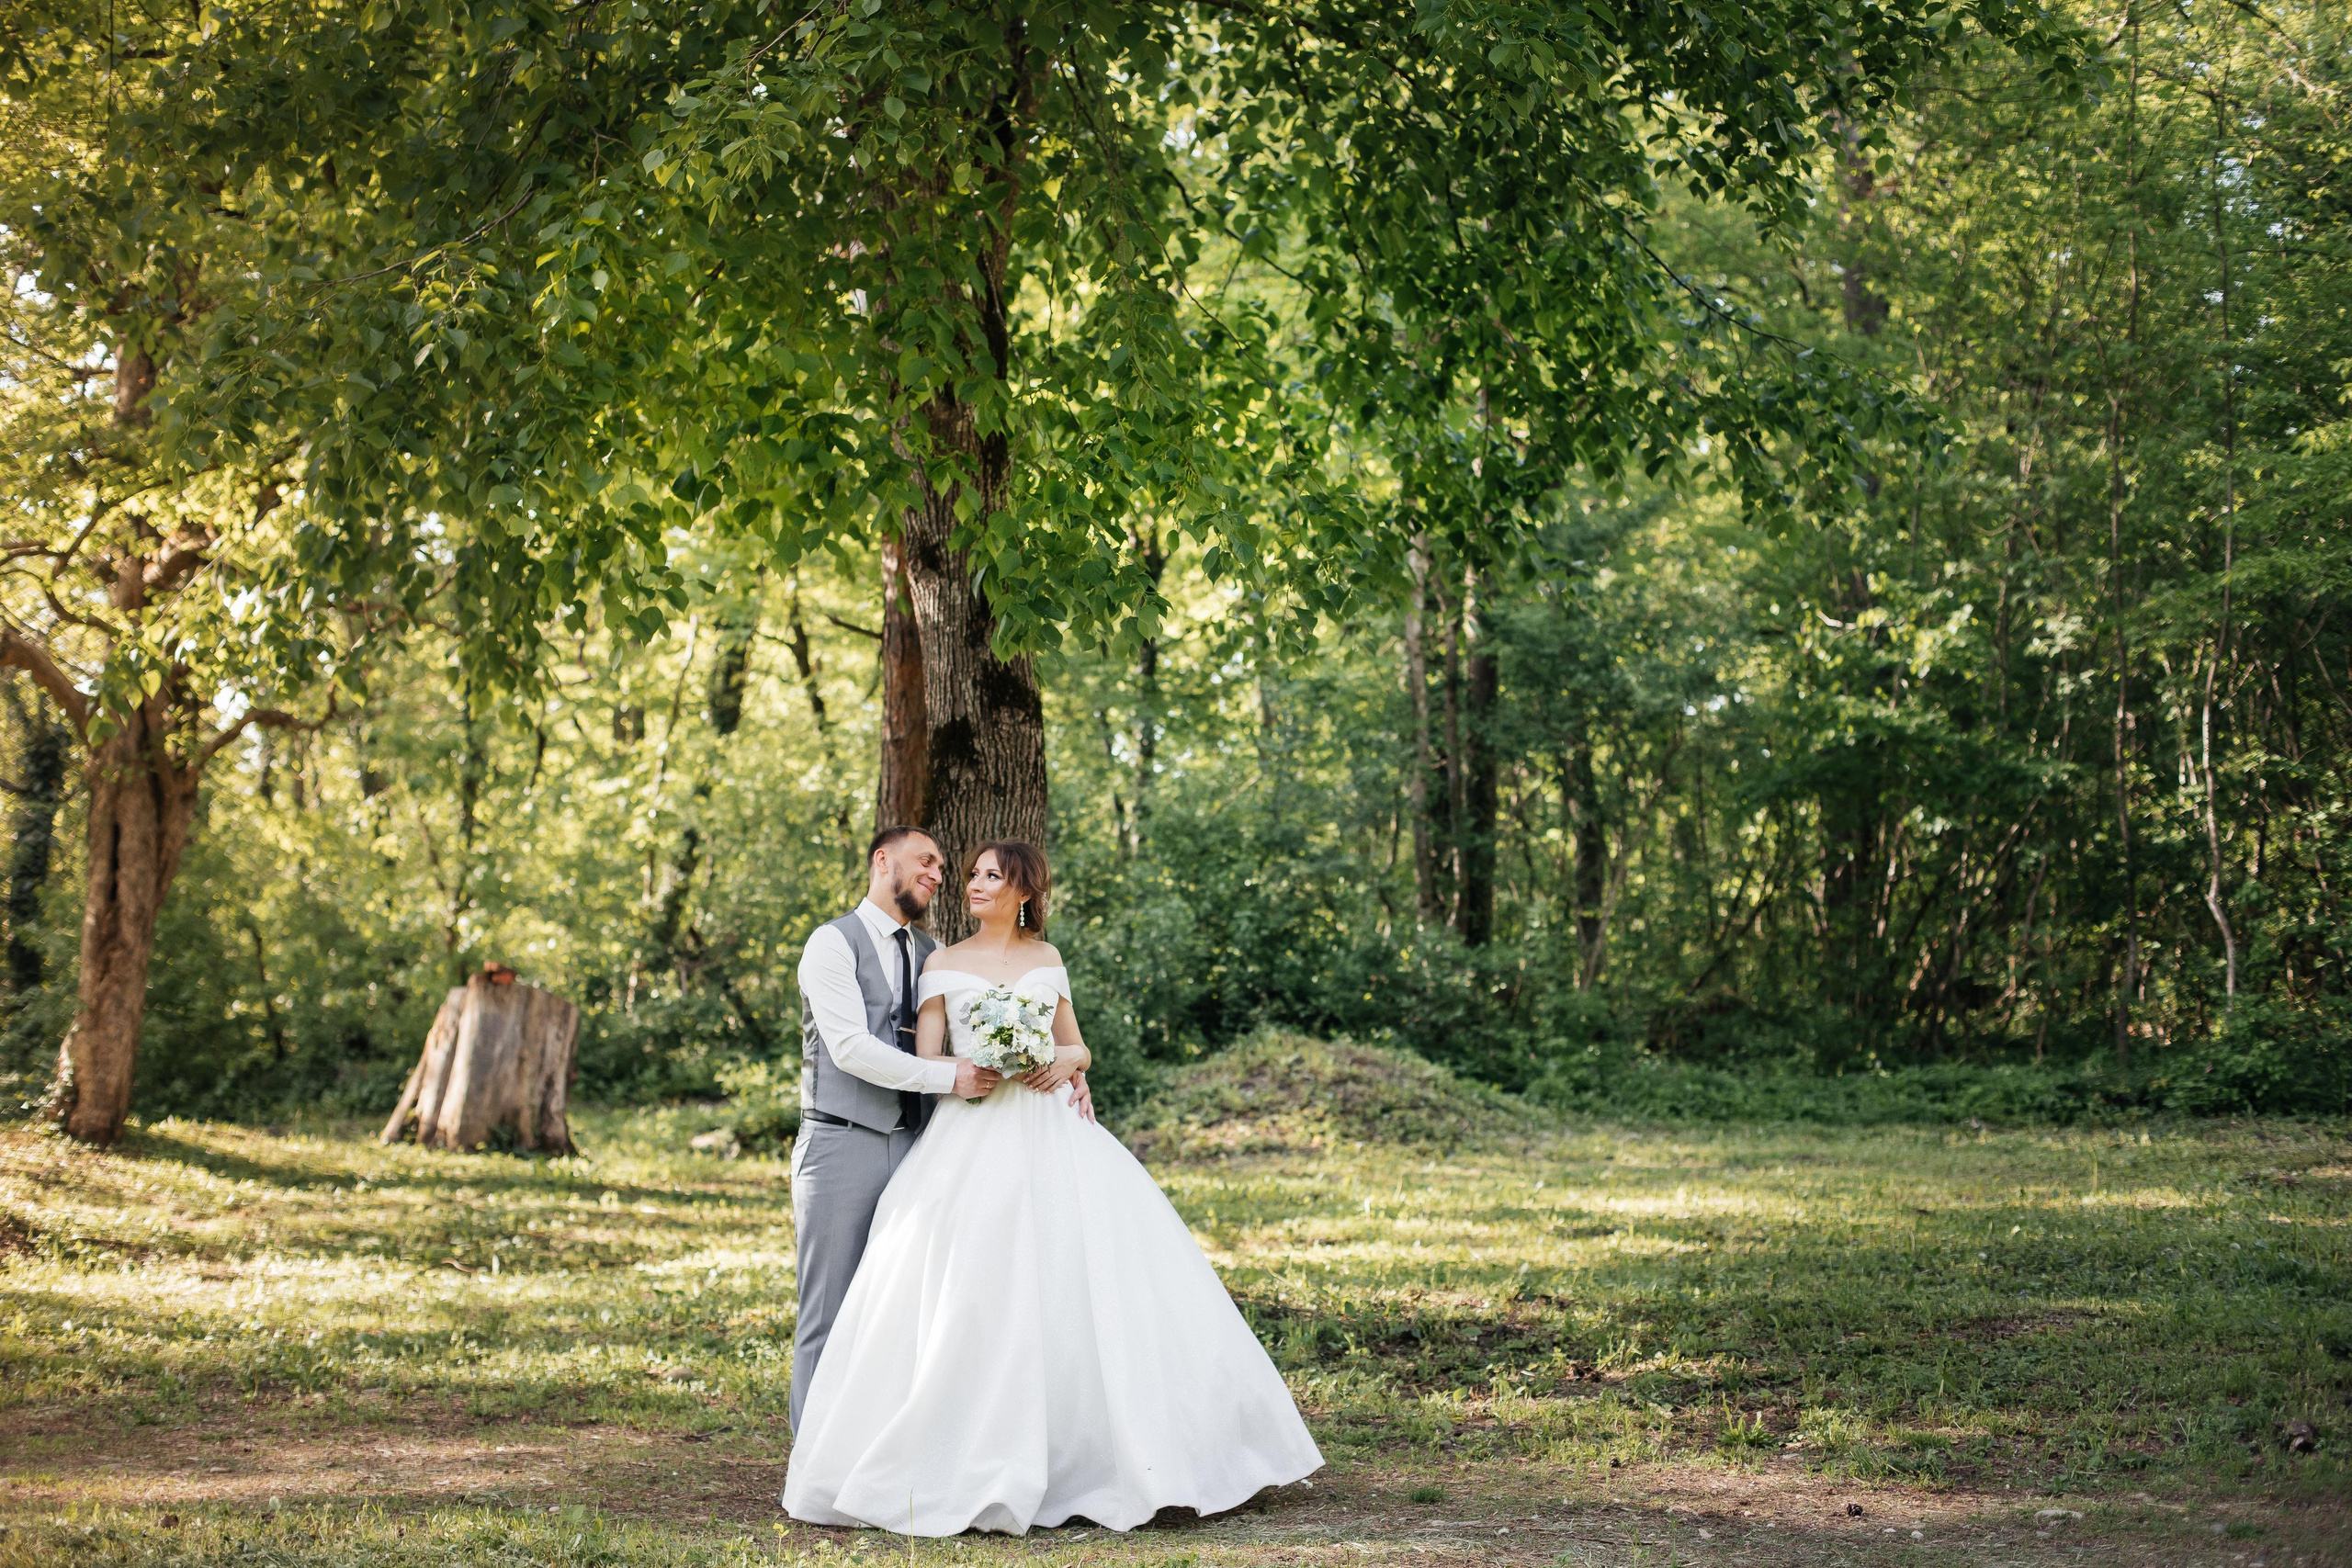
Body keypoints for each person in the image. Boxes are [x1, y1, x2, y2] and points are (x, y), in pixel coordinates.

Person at [783, 840, 1322, 1536]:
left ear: (1024, 892)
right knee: (955, 1289)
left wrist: (1068, 1062)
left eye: (989, 875)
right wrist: (979, 1067)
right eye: (969, 873)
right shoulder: (934, 961)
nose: (971, 883)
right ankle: (867, 1450)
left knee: (1072, 1280)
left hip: (1050, 1130)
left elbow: (1076, 1043)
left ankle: (1095, 1450)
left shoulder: (1043, 958)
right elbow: (925, 1060)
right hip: (964, 1132)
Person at [789, 825, 1094, 1434]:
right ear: (883, 860)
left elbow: (1059, 1038)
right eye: (925, 861)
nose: (939, 874)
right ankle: (814, 1454)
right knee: (831, 1306)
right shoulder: (833, 943)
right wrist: (953, 1075)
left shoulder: (929, 949)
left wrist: (1068, 1066)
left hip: (919, 1140)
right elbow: (850, 1048)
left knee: (901, 1303)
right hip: (845, 1139)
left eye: (942, 866)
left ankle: (895, 1435)